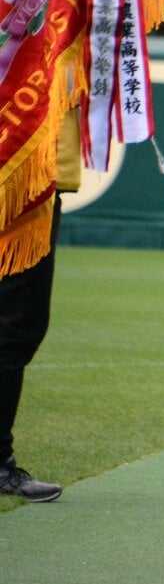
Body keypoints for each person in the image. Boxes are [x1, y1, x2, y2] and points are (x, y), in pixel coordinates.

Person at [0, 112, 80, 504]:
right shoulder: (43, 48)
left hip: (26, 167)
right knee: (17, 324)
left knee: (17, 324)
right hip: (20, 169)